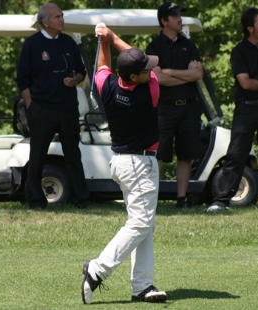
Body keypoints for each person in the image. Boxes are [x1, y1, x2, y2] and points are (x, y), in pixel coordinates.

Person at [81, 24, 167, 304]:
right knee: (141, 223)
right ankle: (97, 269)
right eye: (145, 69)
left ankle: (142, 286)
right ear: (135, 76)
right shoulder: (149, 91)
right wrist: (113, 37)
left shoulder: (107, 87)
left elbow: (102, 68)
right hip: (141, 164)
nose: (150, 71)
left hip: (120, 162)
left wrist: (104, 41)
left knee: (144, 224)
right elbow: (124, 64)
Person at [207, 7, 258, 213]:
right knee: (236, 155)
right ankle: (220, 201)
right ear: (250, 28)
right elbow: (246, 84)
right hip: (246, 110)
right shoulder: (239, 51)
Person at [16, 3, 90, 209]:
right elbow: (22, 79)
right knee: (38, 154)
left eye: (61, 16)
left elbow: (81, 71)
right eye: (57, 17)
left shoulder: (68, 42)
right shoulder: (32, 44)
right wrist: (31, 106)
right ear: (45, 22)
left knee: (73, 154)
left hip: (67, 108)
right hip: (41, 109)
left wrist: (74, 79)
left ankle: (81, 199)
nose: (61, 20)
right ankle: (36, 200)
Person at [146, 2, 204, 209]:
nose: (180, 18)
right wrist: (184, 76)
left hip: (188, 107)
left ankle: (181, 199)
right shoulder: (154, 47)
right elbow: (157, 78)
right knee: (158, 154)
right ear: (164, 21)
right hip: (164, 108)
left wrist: (169, 72)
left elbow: (198, 74)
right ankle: (151, 199)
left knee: (186, 154)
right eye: (175, 15)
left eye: (180, 14)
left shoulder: (189, 45)